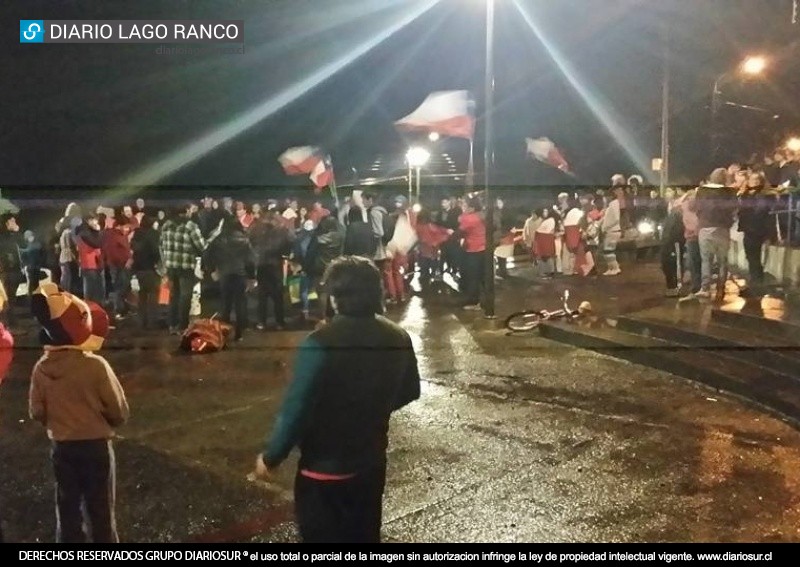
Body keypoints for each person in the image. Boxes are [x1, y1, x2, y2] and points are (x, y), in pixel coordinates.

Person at [252, 256, 420, 543]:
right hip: (371, 460)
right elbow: (410, 391)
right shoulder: (398, 336)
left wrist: (271, 458)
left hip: (324, 469)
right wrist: (371, 410)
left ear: (334, 298)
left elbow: (295, 410)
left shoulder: (318, 344)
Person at [29, 283, 129, 543]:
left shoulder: (41, 368)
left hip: (63, 446)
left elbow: (36, 411)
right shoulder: (95, 366)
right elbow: (118, 410)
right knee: (101, 509)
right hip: (95, 446)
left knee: (67, 507)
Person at [204, 217, 256, 341]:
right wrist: (251, 277)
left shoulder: (218, 239)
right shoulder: (244, 240)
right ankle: (239, 333)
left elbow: (207, 254)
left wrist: (212, 270)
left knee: (225, 304)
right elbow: (250, 261)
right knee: (240, 303)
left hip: (224, 274)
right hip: (240, 274)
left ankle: (224, 331)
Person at [691, 168, 738, 300]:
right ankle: (720, 289)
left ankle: (705, 288)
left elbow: (696, 207)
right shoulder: (729, 192)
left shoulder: (701, 190)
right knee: (722, 260)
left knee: (706, 260)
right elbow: (734, 208)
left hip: (705, 227)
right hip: (723, 228)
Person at [159, 204, 206, 334]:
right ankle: (183, 326)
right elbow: (201, 246)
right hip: (186, 267)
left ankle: (172, 324)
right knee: (185, 297)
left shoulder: (166, 225)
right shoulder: (191, 226)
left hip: (171, 267)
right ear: (186, 211)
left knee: (174, 296)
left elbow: (161, 245)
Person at [249, 212, 292, 331]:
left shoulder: (257, 230)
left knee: (262, 295)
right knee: (277, 296)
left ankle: (261, 322)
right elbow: (289, 243)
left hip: (261, 264)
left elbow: (250, 242)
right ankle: (280, 322)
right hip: (275, 264)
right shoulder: (281, 231)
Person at [737, 171, 773, 289]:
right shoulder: (747, 195)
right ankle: (755, 279)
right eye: (752, 180)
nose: (754, 182)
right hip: (749, 229)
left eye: (757, 180)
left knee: (754, 256)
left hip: (756, 229)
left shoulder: (761, 195)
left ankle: (757, 281)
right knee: (751, 256)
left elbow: (760, 211)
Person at [130, 215, 161, 329]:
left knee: (142, 295)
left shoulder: (137, 233)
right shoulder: (153, 234)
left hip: (139, 268)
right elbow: (156, 251)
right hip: (151, 268)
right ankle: (152, 322)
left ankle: (141, 321)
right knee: (153, 295)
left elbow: (132, 246)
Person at [457, 197, 486, 310]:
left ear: (472, 207)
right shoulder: (481, 215)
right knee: (483, 276)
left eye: (464, 205)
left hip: (473, 250)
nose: (462, 207)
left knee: (472, 276)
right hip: (484, 248)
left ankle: (474, 302)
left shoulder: (470, 218)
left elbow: (459, 232)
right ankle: (486, 300)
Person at [102, 217, 133, 320]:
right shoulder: (112, 236)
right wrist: (124, 261)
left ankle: (123, 308)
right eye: (126, 227)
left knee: (124, 287)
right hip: (118, 266)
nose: (127, 229)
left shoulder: (121, 235)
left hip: (124, 265)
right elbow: (112, 253)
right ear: (119, 226)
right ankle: (119, 310)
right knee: (119, 287)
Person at [414, 210, 452, 288]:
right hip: (432, 247)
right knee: (433, 261)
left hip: (423, 247)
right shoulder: (430, 226)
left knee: (424, 262)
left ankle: (425, 276)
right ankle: (434, 274)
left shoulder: (418, 226)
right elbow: (440, 232)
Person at [75, 214, 105, 303]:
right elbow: (97, 243)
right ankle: (91, 308)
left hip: (95, 264)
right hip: (89, 265)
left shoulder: (88, 231)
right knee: (91, 289)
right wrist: (99, 231)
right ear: (89, 221)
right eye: (94, 220)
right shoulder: (84, 232)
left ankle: (95, 307)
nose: (96, 222)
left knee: (96, 289)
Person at [600, 186, 625, 276]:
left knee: (608, 251)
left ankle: (615, 268)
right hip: (611, 230)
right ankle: (611, 268)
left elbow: (615, 219)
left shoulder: (613, 204)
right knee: (607, 251)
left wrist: (606, 227)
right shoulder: (612, 205)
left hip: (612, 230)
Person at [435, 197, 462, 276]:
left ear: (449, 202)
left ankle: (453, 270)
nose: (443, 204)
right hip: (443, 238)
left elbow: (458, 224)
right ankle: (441, 270)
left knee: (453, 254)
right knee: (443, 254)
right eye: (442, 203)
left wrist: (454, 232)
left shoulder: (455, 212)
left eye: (445, 202)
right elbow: (437, 225)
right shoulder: (440, 213)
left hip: (452, 238)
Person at [534, 208, 558, 278]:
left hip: (544, 239)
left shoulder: (550, 220)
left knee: (545, 255)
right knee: (546, 255)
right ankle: (549, 271)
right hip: (544, 239)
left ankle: (547, 271)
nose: (544, 213)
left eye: (546, 211)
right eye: (544, 211)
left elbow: (546, 230)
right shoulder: (548, 220)